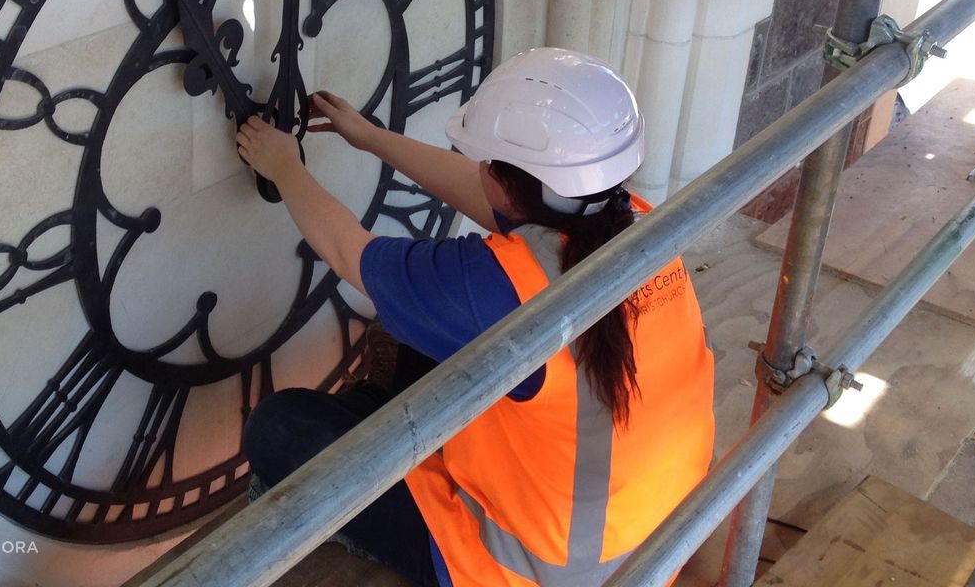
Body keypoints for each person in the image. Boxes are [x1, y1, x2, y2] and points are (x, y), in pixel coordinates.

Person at [235, 47, 715, 587]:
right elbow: (491, 195)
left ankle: (371, 479)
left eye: (488, 164)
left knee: (278, 430)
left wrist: (284, 167)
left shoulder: (500, 286)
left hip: (530, 570)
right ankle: (384, 427)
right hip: (657, 536)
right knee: (426, 327)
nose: (478, 171)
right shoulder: (635, 225)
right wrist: (368, 137)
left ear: (514, 185)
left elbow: (350, 252)